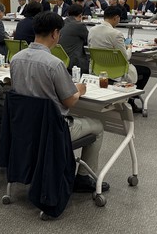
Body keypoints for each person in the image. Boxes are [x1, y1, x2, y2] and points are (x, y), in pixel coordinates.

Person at [10, 12, 108, 193]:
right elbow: (69, 101)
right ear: (55, 33)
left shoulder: (15, 59)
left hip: (24, 127)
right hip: (52, 130)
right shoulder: (54, 64)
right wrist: (79, 90)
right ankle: (83, 178)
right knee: (97, 125)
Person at [87, 6, 151, 113]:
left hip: (99, 69)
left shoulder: (92, 30)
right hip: (117, 71)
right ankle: (131, 100)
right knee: (146, 71)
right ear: (116, 18)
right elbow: (126, 57)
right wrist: (129, 47)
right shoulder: (116, 34)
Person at [58, 4, 89, 74]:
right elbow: (88, 40)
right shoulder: (80, 25)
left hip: (61, 60)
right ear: (80, 15)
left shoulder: (62, 23)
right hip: (74, 63)